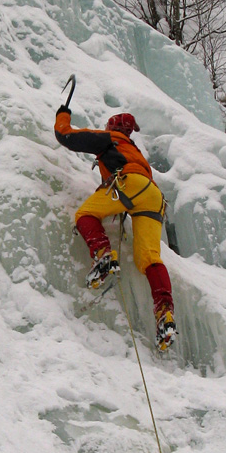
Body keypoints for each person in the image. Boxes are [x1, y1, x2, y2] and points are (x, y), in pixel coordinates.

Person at [54, 103, 176, 351]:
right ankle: (165, 313)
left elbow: (66, 136)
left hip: (128, 184)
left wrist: (62, 115)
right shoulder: (136, 152)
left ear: (112, 126)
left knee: (85, 214)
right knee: (149, 258)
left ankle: (103, 256)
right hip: (153, 196)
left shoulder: (111, 138)